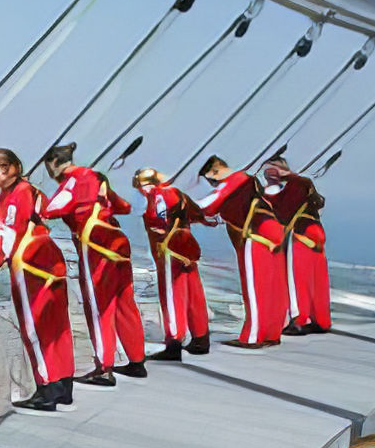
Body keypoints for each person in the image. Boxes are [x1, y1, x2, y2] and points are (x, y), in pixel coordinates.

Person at [40, 144, 149, 382]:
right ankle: (137, 360)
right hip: (118, 243)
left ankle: (104, 368)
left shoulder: (72, 179)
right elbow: (124, 207)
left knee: (99, 306)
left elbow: (52, 209)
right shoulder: (98, 178)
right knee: (124, 302)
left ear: (53, 163)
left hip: (96, 246)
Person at [0, 148, 76, 410]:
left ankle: (46, 388)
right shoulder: (31, 191)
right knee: (58, 328)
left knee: (34, 328)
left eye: (0, 166)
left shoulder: (16, 196)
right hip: (50, 264)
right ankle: (62, 385)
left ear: (15, 166)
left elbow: (8, 235)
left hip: (31, 267)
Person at [197, 155, 288, 347]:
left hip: (256, 235)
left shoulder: (234, 180)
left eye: (210, 178)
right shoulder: (250, 183)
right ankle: (272, 333)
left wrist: (182, 207)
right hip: (274, 233)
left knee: (254, 287)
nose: (212, 183)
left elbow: (209, 204)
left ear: (215, 170)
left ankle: (253, 337)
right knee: (273, 287)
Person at [133, 167, 214, 359]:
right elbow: (197, 214)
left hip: (169, 249)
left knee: (172, 296)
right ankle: (200, 337)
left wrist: (159, 228)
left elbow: (156, 218)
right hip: (187, 246)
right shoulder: (178, 193)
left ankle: (174, 341)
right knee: (194, 294)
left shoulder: (155, 195)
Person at [263, 155, 331, 334]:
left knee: (297, 279)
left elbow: (282, 211)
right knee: (317, 279)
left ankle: (300, 320)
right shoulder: (304, 183)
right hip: (315, 230)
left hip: (300, 233)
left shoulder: (294, 185)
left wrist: (268, 192)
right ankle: (321, 320)